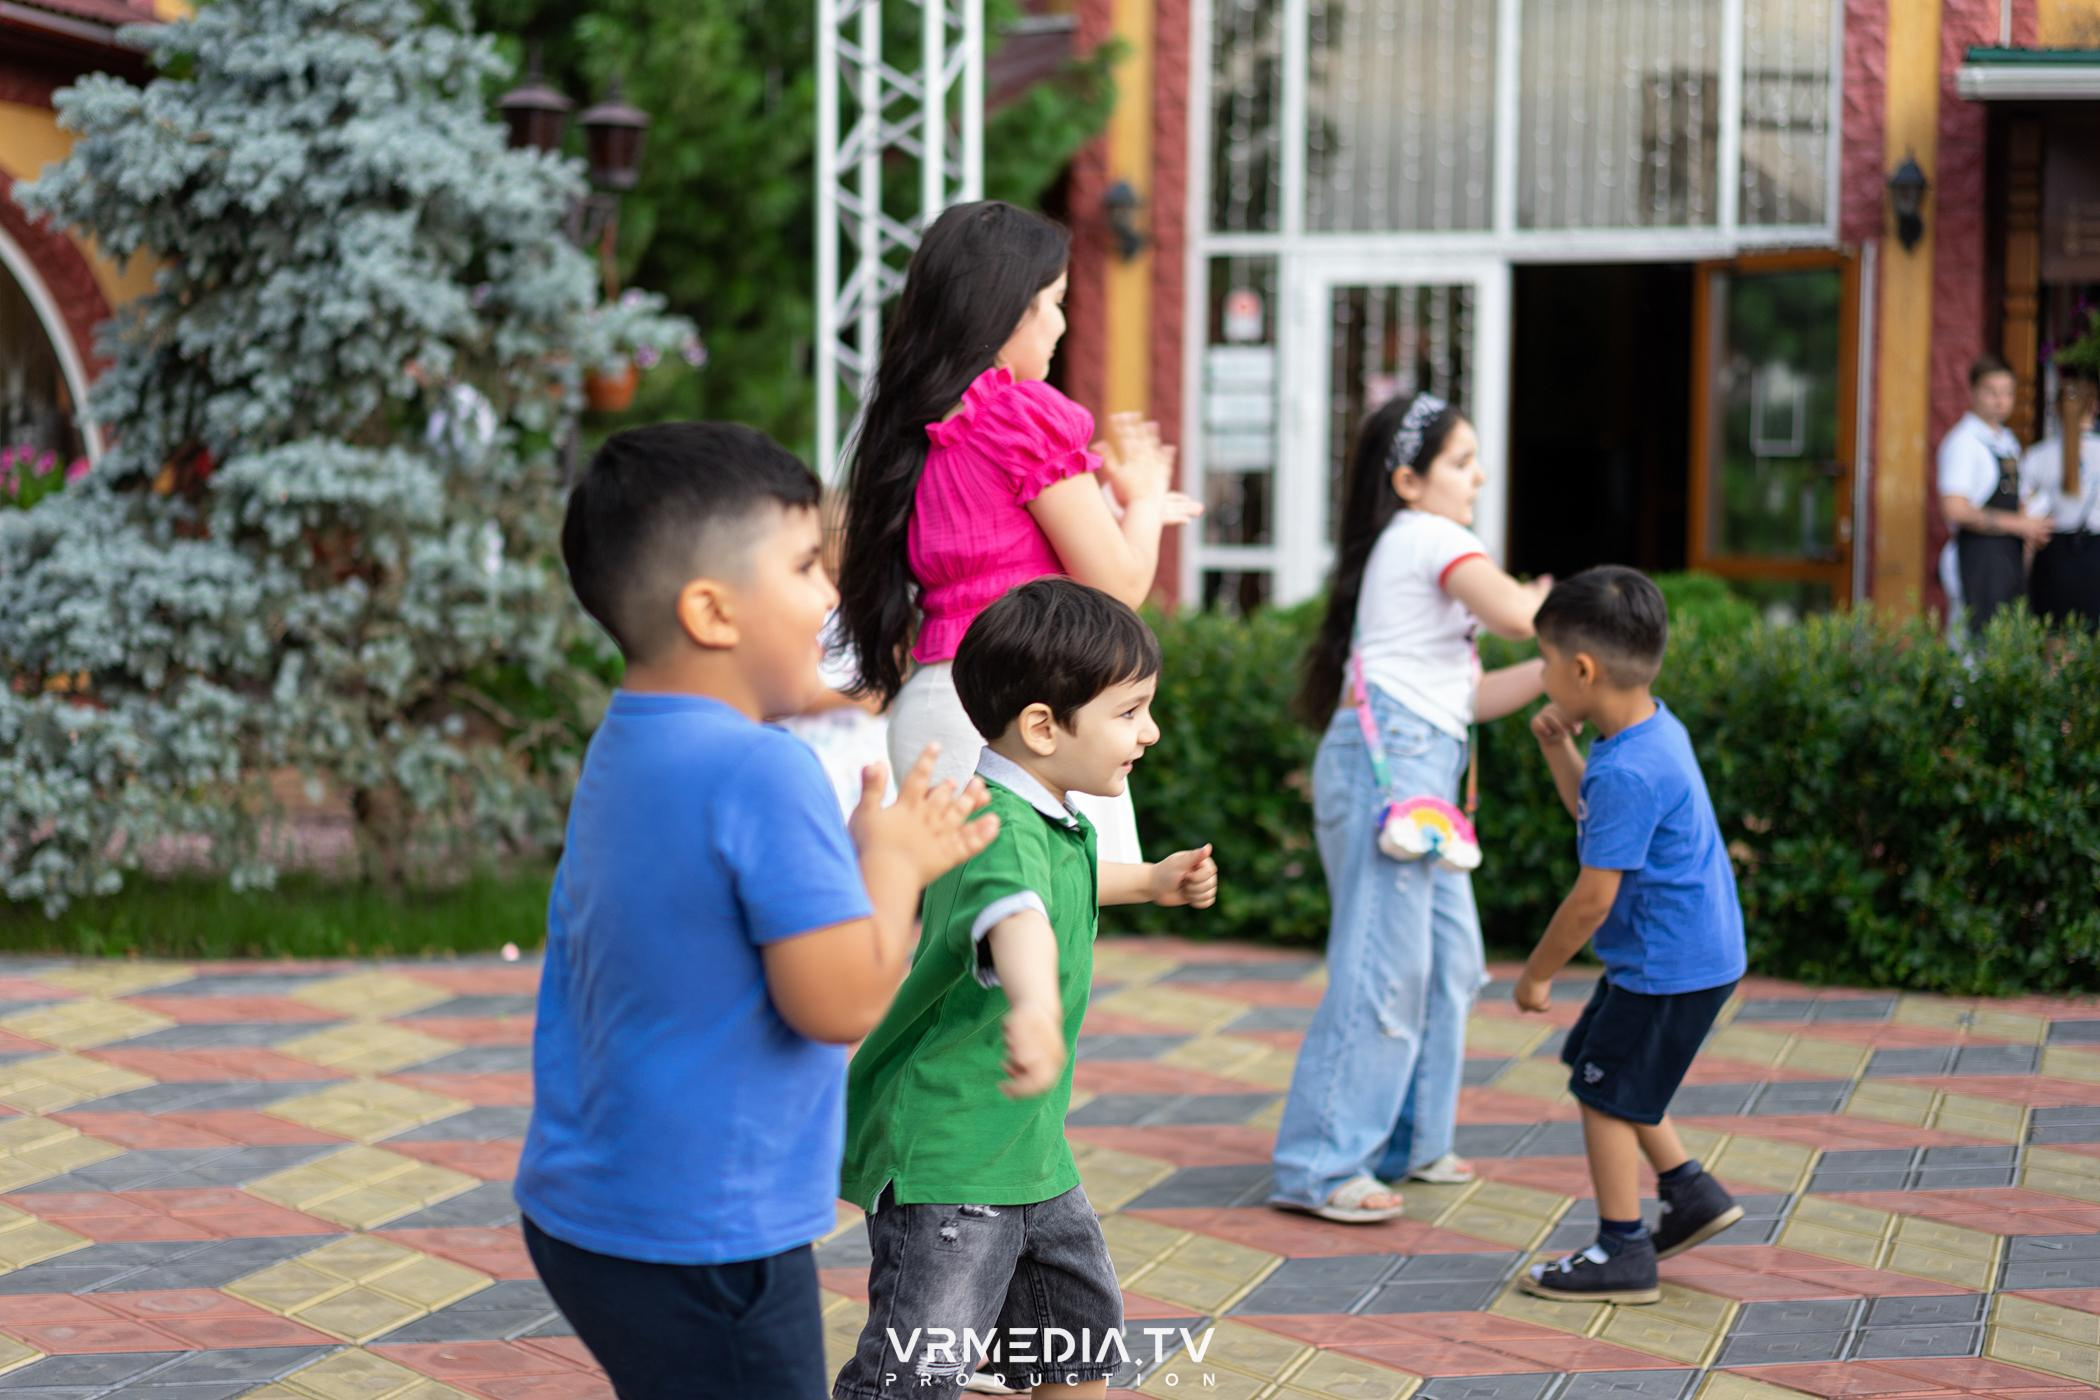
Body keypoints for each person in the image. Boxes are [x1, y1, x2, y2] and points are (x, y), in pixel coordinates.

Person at [515, 423, 1002, 1399]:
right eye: (807, 566)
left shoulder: (632, 738)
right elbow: (838, 1002)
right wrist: (893, 862)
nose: (831, 596)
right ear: (712, 610)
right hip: (708, 1233)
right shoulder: (762, 769)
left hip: (590, 1206)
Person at [831, 579, 1219, 1400]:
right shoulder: (999, 827)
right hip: (953, 1160)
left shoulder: (1043, 817)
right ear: (1043, 726)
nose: (1149, 732)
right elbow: (1018, 917)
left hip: (1028, 1152)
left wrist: (1152, 880)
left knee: (1077, 1345)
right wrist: (1036, 1005)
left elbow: (1062, 885)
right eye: (1131, 711)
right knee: (914, 1377)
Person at [837, 199, 1200, 866]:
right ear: (1008, 308)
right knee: (1046, 919)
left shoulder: (925, 427)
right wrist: (1146, 499)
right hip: (1023, 713)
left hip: (937, 703)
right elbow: (1119, 585)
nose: (1062, 323)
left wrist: (1120, 505)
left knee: (965, 920)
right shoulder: (1019, 414)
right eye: (1055, 301)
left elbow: (998, 548)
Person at [1268, 392, 1550, 1224]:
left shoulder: (1414, 546)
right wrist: (1569, 611)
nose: (1479, 478)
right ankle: (1320, 1165)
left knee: (1449, 962)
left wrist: (1565, 667)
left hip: (1415, 776)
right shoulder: (1429, 535)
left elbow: (1470, 695)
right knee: (1381, 969)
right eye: (1462, 462)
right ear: (1409, 482)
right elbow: (1515, 615)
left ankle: (1409, 1142)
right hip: (1391, 774)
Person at [1515, 566, 1747, 1304]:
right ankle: (1689, 1192)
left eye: (1546, 662)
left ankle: (1621, 1249)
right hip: (1681, 956)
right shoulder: (1649, 733)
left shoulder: (1628, 770)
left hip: (1664, 966)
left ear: (1582, 670)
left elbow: (1592, 899)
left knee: (1606, 1091)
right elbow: (1599, 820)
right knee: (1600, 1063)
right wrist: (1560, 749)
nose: (1542, 676)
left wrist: (1537, 973)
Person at [782, 492, 894, 817]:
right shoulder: (802, 608)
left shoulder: (866, 608)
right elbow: (794, 690)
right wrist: (855, 697)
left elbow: (888, 681)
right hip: (817, 744)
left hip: (864, 745)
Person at [1939, 353, 2050, 635]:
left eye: (2007, 393)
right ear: (1973, 391)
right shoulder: (1964, 442)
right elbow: (1954, 509)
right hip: (1976, 557)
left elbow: (2021, 498)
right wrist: (2020, 524)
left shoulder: (2007, 441)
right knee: (1973, 642)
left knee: (2002, 641)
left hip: (2005, 558)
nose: (2001, 401)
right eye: (1992, 392)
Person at [2025, 372, 2100, 633]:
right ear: (2094, 406)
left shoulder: (2038, 456)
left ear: (2056, 409)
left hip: (2054, 555)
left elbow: (2027, 512)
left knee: (2053, 637)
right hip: (2094, 553)